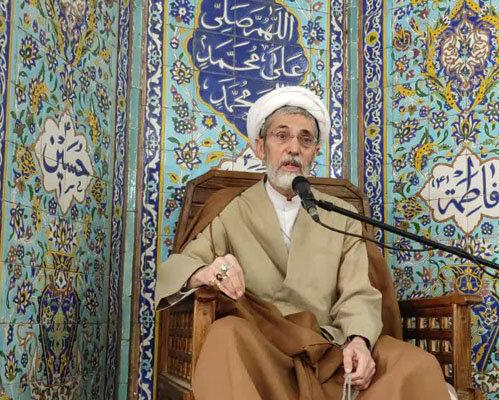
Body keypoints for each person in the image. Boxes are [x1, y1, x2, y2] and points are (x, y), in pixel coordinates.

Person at [155, 86, 453, 400]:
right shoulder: (231, 210)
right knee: (225, 335)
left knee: (416, 365)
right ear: (260, 147)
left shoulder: (340, 215)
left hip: (331, 350)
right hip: (263, 351)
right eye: (281, 136)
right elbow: (179, 267)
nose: (294, 148)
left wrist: (359, 340)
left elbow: (358, 292)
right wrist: (208, 272)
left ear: (314, 153)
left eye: (305, 139)